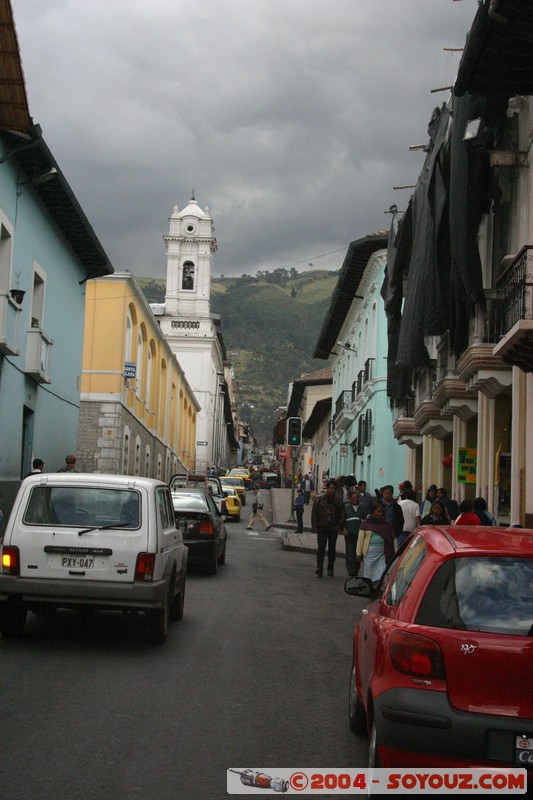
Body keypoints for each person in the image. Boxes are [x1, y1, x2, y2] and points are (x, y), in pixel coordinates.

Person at [311, 480, 345, 578]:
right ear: (327, 488)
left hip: (333, 528)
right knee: (321, 548)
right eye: (331, 488)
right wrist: (315, 527)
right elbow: (314, 514)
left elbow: (342, 514)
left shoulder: (338, 501)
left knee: (332, 549)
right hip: (322, 527)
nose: (332, 490)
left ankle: (330, 568)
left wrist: (339, 526)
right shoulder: (319, 500)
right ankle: (319, 567)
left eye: (334, 488)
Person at [356, 504, 395, 587]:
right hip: (369, 553)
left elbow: (390, 539)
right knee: (369, 573)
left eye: (381, 511)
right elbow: (360, 539)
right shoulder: (366, 524)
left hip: (382, 553)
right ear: (373, 512)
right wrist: (358, 553)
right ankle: (370, 588)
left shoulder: (385, 524)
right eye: (378, 511)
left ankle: (378, 588)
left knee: (381, 572)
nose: (380, 513)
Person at [342, 488, 367, 577]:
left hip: (360, 534)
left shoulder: (363, 507)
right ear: (350, 498)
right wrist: (343, 529)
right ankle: (351, 572)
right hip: (349, 533)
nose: (355, 499)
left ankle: (356, 571)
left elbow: (366, 520)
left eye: (357, 498)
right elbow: (342, 519)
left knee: (358, 553)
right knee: (350, 553)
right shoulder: (346, 507)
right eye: (353, 498)